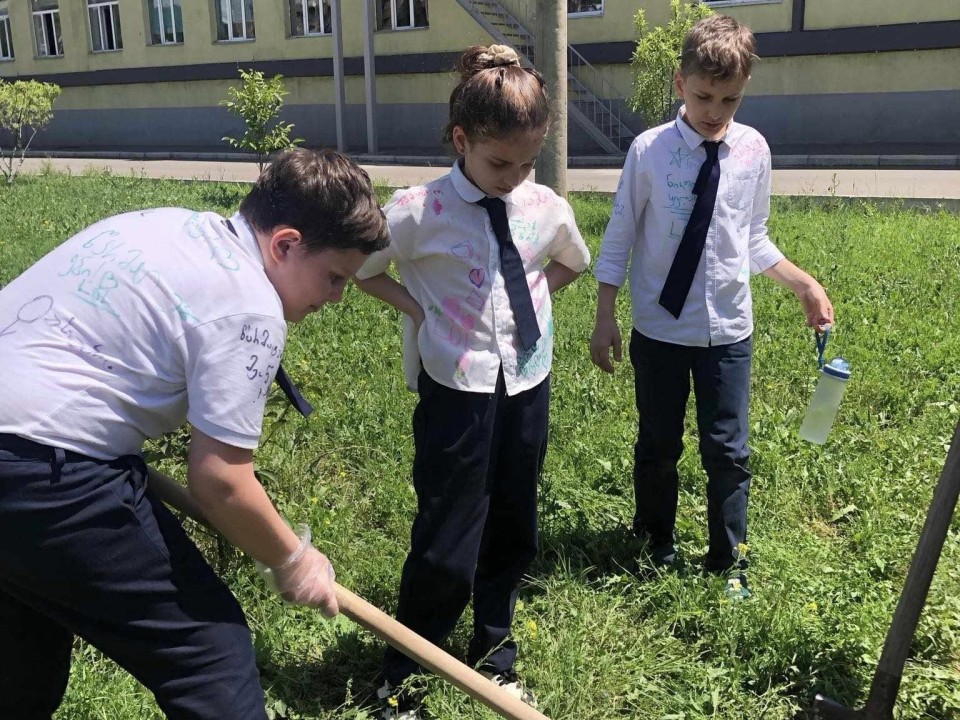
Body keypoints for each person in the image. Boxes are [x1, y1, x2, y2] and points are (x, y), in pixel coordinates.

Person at [0, 147, 389, 720]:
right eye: (334, 277)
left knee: (24, 654)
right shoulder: (249, 306)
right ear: (285, 244)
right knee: (209, 656)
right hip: (46, 472)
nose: (336, 297)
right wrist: (294, 560)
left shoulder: (168, 225)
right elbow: (220, 481)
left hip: (25, 454)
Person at [355, 44, 591, 720]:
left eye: (526, 163)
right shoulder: (418, 210)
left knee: (514, 522)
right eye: (498, 164)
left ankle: (495, 650)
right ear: (461, 140)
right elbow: (365, 269)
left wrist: (531, 299)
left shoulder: (542, 205)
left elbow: (571, 261)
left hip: (526, 382)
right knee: (446, 536)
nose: (512, 179)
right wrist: (421, 310)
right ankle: (405, 672)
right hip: (456, 390)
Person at [590, 15, 834, 599]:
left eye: (730, 99)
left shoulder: (753, 150)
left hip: (728, 332)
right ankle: (655, 539)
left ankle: (730, 560)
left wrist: (803, 284)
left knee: (728, 449)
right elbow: (620, 234)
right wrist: (605, 314)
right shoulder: (650, 151)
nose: (715, 111)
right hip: (660, 329)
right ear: (680, 84)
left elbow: (754, 238)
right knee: (658, 442)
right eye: (703, 96)